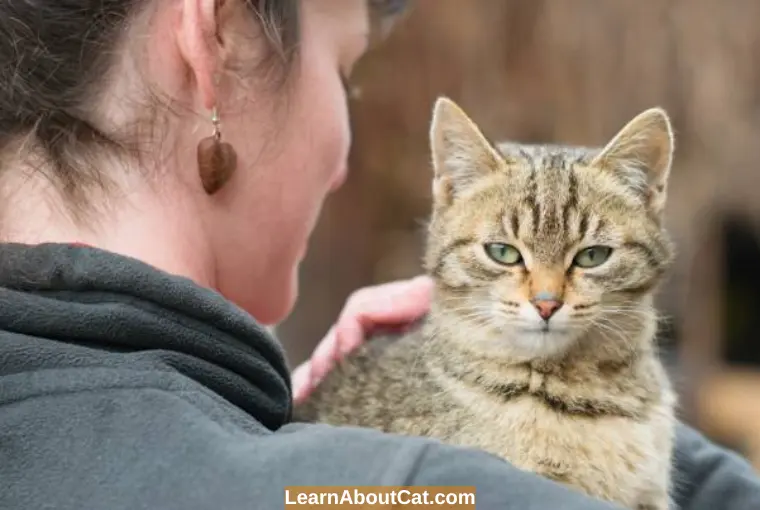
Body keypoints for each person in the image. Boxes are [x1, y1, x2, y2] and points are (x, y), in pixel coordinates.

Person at [0, 1, 758, 509]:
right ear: (218, 39)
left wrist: (269, 417)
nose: (344, 157)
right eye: (346, 71)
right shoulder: (426, 491)